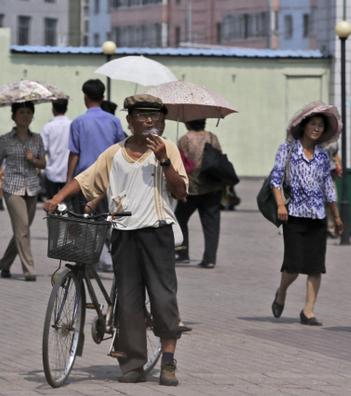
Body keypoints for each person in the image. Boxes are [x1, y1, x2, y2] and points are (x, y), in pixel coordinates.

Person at [44, 94, 188, 386]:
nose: (149, 120)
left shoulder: (168, 148)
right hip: (122, 233)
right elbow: (85, 179)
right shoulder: (114, 153)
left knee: (163, 298)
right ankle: (132, 363)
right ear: (129, 120)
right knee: (129, 302)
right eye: (142, 115)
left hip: (157, 231)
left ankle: (169, 362)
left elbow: (180, 191)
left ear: (161, 121)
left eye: (154, 116)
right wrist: (57, 197)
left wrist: (164, 160)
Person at [270, 102, 343, 327]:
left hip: (317, 217)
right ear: (303, 126)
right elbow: (276, 179)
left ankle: (308, 311)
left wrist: (337, 216)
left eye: (321, 125)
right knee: (292, 265)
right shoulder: (287, 149)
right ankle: (281, 292)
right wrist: (281, 205)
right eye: (313, 123)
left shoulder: (322, 156)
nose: (317, 128)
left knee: (315, 266)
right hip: (293, 214)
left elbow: (328, 187)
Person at [0, 101, 45, 281]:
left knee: (22, 230)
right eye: (21, 112)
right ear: (13, 116)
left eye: (29, 112)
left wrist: (34, 160)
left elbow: (43, 163)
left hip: (32, 188)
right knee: (23, 230)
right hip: (12, 188)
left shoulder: (37, 139)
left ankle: (5, 262)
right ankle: (29, 270)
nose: (25, 116)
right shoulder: (5, 140)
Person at [67, 79, 125, 211]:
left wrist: (69, 180)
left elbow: (74, 154)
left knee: (82, 223)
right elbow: (121, 152)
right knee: (105, 222)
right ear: (103, 97)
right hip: (108, 181)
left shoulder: (78, 122)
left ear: (85, 96)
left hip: (83, 181)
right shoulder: (114, 121)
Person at [174, 119, 223, 268]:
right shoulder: (213, 137)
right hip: (212, 187)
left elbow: (181, 163)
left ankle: (182, 253)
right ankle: (209, 259)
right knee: (212, 224)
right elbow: (219, 157)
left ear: (188, 123)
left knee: (180, 219)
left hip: (191, 189)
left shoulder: (185, 139)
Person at [41, 99, 71, 199]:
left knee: (51, 208)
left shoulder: (48, 127)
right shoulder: (72, 125)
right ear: (66, 109)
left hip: (51, 172)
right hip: (68, 172)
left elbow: (42, 150)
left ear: (53, 109)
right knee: (70, 208)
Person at [323, 142, 342, 238]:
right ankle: (322, 228)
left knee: (333, 200)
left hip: (331, 173)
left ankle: (330, 229)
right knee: (321, 202)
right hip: (319, 173)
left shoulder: (334, 141)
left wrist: (339, 166)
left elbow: (335, 154)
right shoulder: (318, 137)